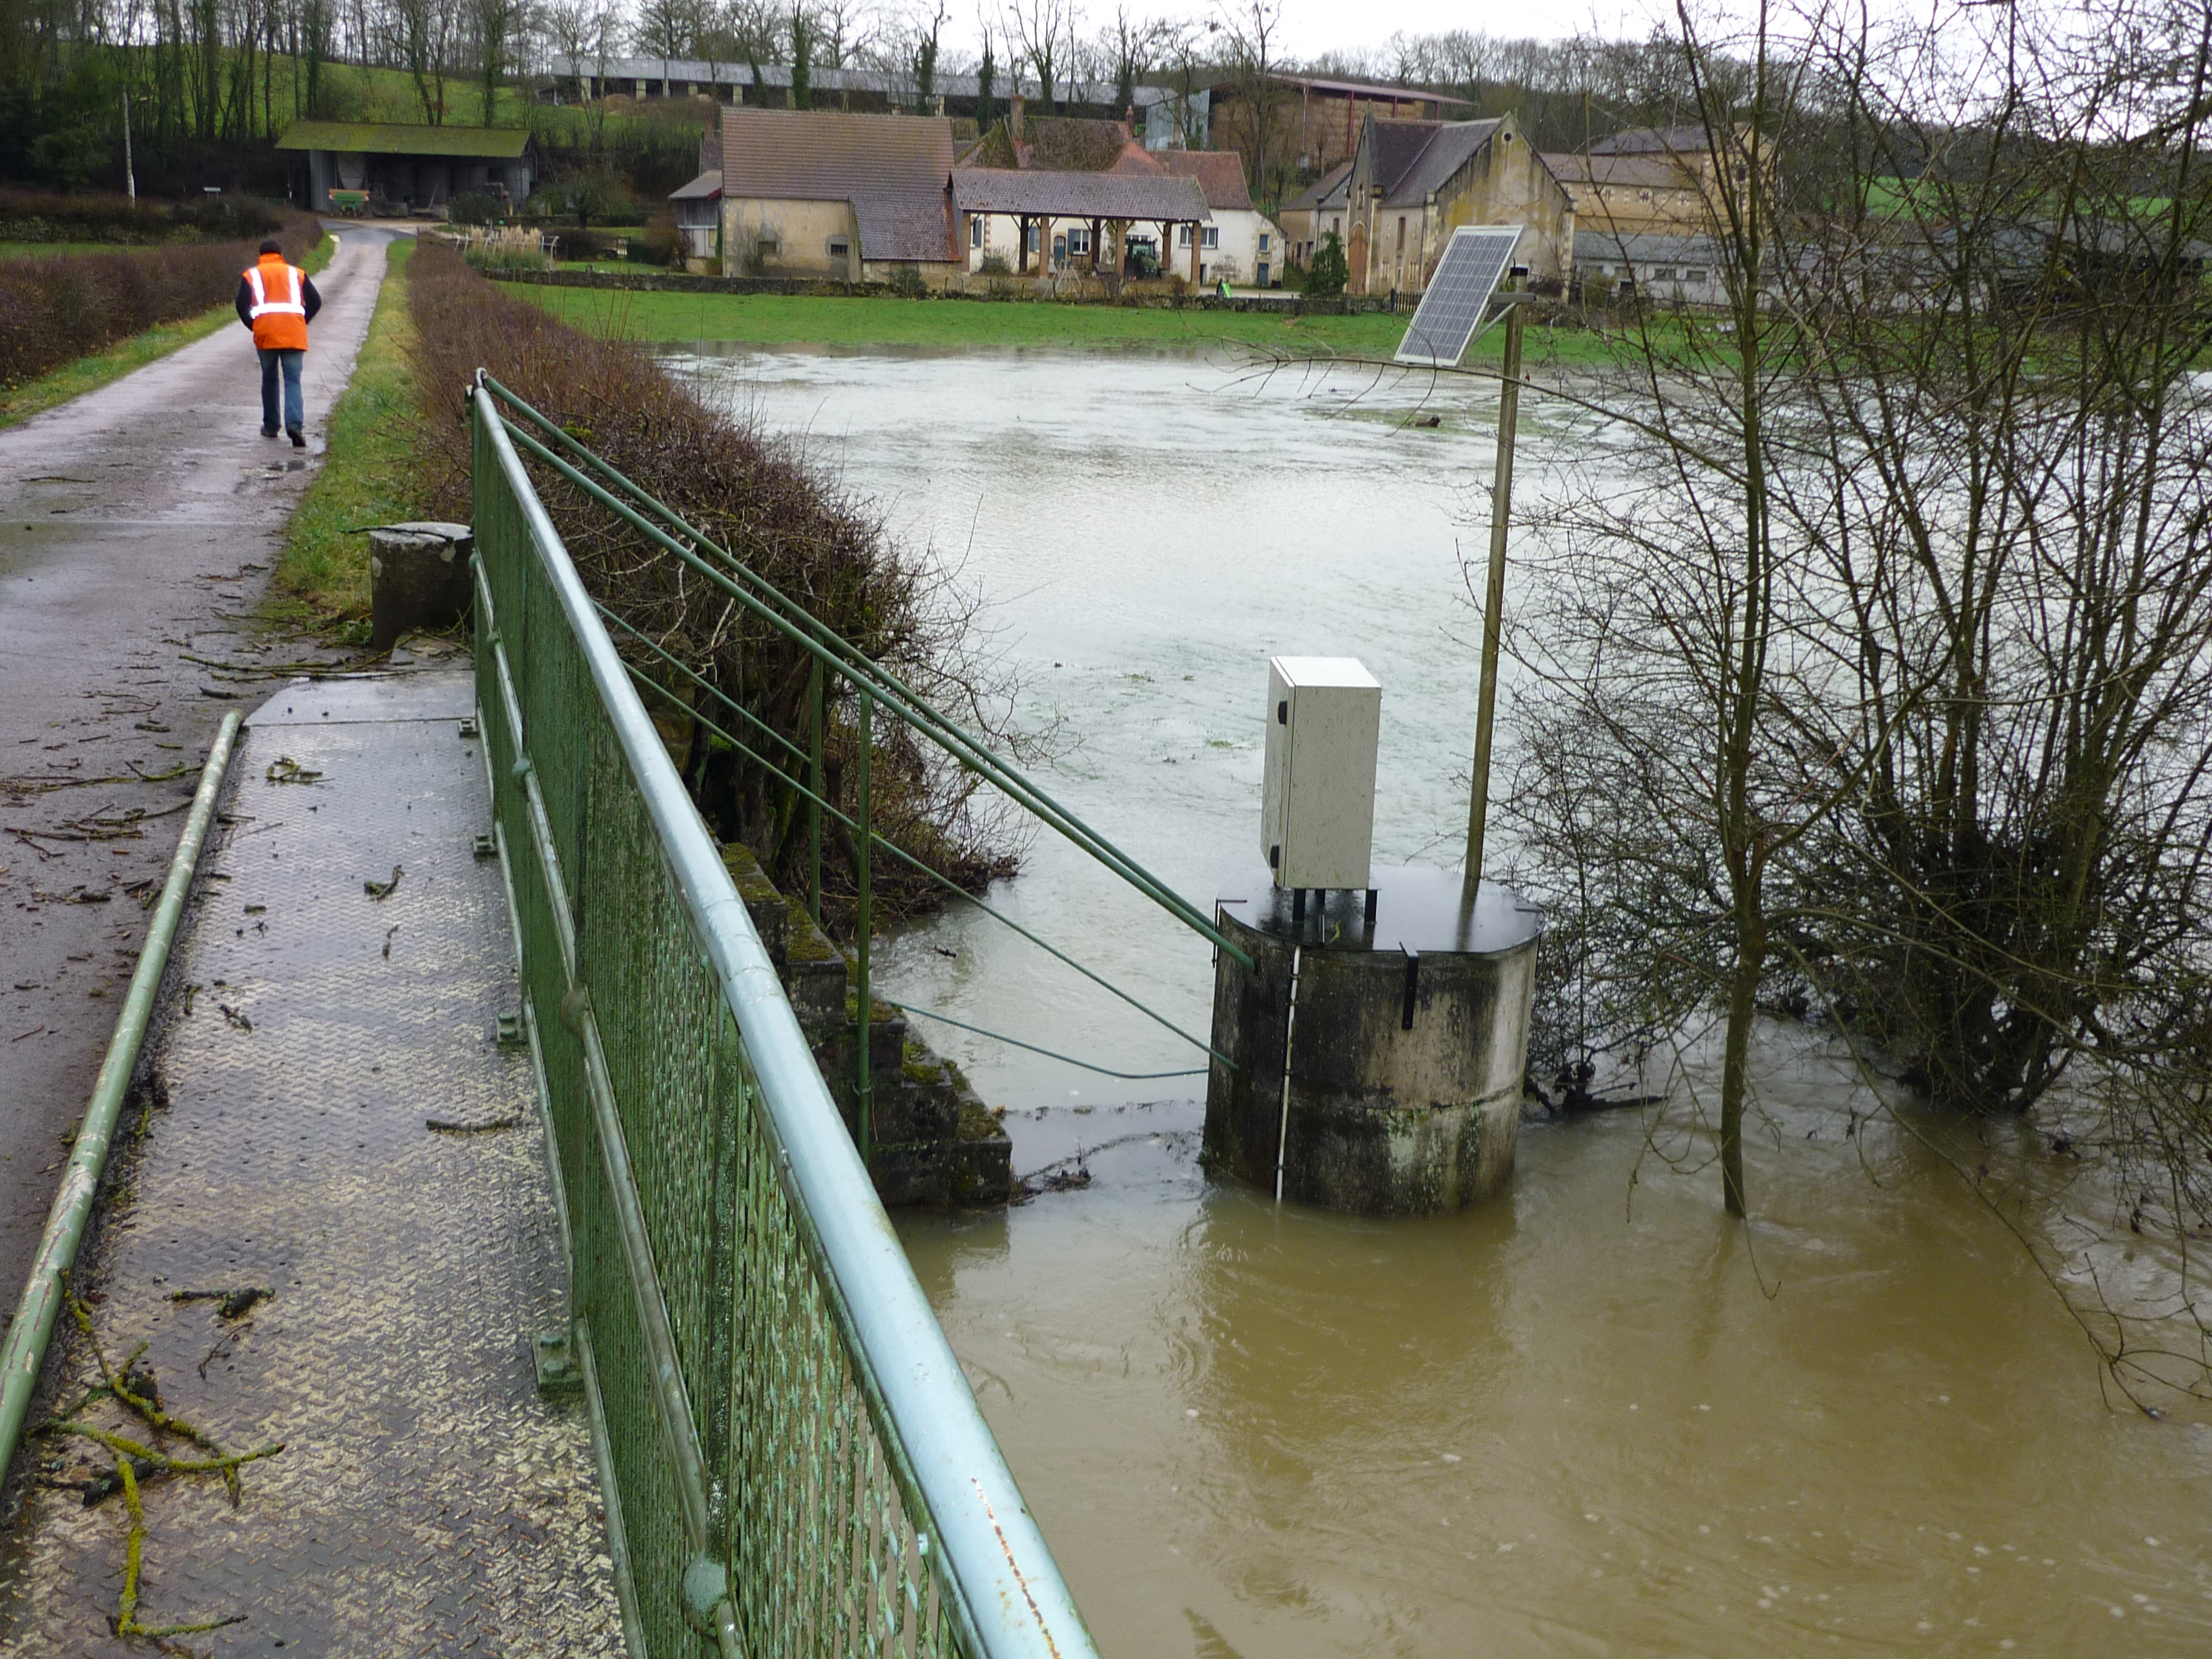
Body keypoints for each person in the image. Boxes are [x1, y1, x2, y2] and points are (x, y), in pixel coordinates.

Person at [234, 239, 323, 449]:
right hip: (294, 333)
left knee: (270, 379)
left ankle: (272, 427)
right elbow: (316, 301)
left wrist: (255, 326)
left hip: (266, 334)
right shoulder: (297, 273)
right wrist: (301, 322)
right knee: (293, 380)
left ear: (261, 255)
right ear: (281, 254)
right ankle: (295, 426)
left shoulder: (252, 275)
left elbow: (240, 305)